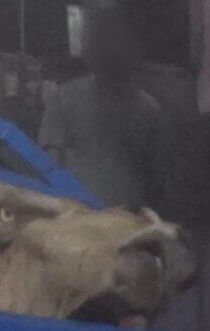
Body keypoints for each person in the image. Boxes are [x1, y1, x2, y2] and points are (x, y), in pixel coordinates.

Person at [38, 2, 170, 214]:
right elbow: (47, 166)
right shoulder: (62, 98)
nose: (107, 46)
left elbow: (157, 184)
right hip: (73, 220)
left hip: (127, 221)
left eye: (115, 36)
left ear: (135, 46)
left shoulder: (149, 111)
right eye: (96, 37)